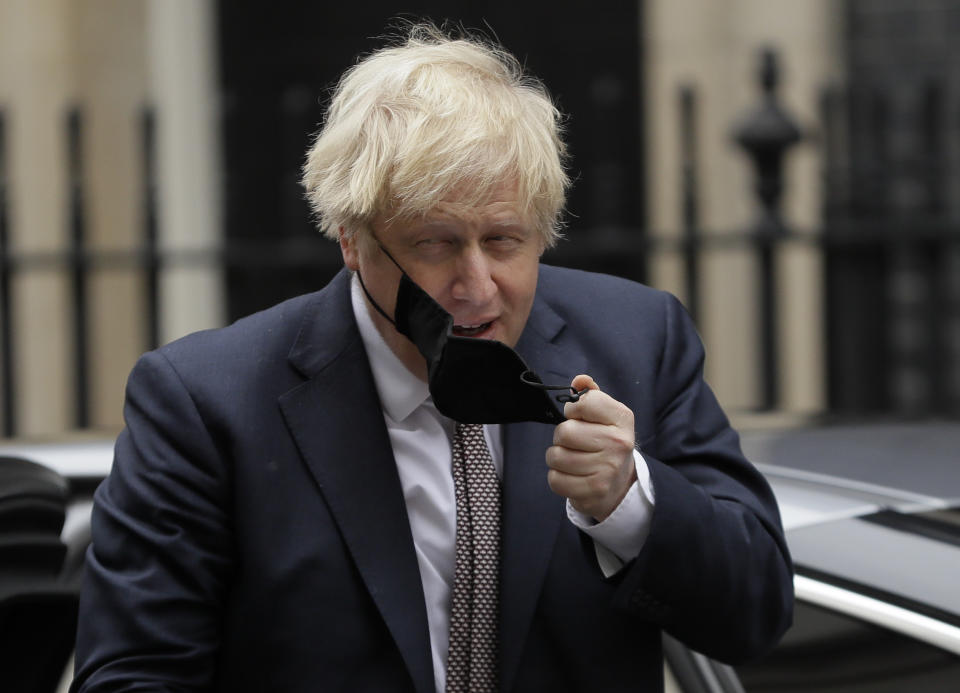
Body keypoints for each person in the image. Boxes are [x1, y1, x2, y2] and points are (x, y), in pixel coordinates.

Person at [71, 23, 792, 693]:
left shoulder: (638, 338)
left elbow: (757, 612)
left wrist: (629, 504)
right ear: (352, 241)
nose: (477, 285)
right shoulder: (204, 403)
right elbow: (135, 672)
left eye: (505, 240)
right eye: (434, 243)